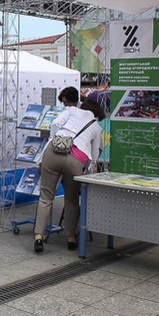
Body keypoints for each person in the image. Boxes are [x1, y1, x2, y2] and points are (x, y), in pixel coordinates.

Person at [33, 87, 103, 253]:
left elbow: (55, 123)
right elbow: (94, 155)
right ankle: (71, 237)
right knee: (71, 199)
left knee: (45, 197)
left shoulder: (71, 110)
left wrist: (56, 140)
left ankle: (38, 236)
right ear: (97, 114)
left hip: (52, 153)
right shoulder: (96, 127)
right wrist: (88, 169)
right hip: (75, 160)